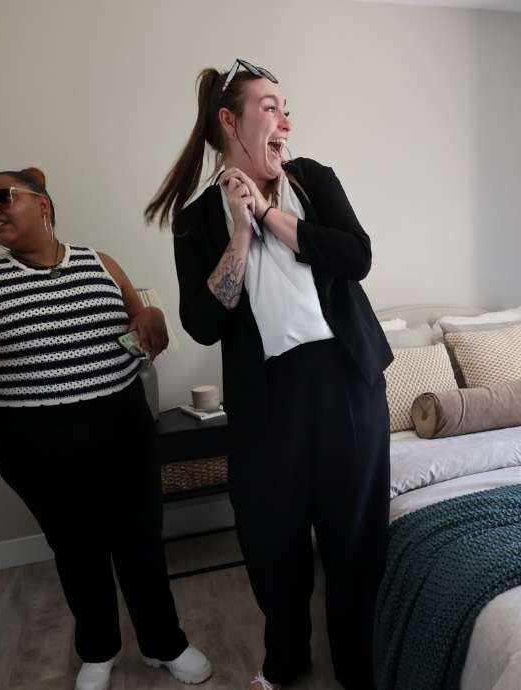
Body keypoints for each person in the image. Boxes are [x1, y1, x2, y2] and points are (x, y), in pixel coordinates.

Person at [0, 167, 212, 690]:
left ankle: (164, 643)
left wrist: (151, 316)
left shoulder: (100, 263)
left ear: (43, 205)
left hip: (122, 426)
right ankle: (99, 648)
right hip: (33, 442)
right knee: (76, 546)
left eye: (2, 197)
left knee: (140, 541)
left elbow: (142, 325)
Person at [145, 60, 392, 690]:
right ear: (230, 120)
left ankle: (356, 670)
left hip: (346, 381)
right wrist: (238, 230)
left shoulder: (313, 180)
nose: (286, 120)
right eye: (271, 107)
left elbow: (356, 256)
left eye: (287, 108)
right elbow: (202, 322)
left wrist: (272, 215)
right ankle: (286, 661)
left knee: (352, 542)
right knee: (270, 540)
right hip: (267, 397)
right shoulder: (198, 220)